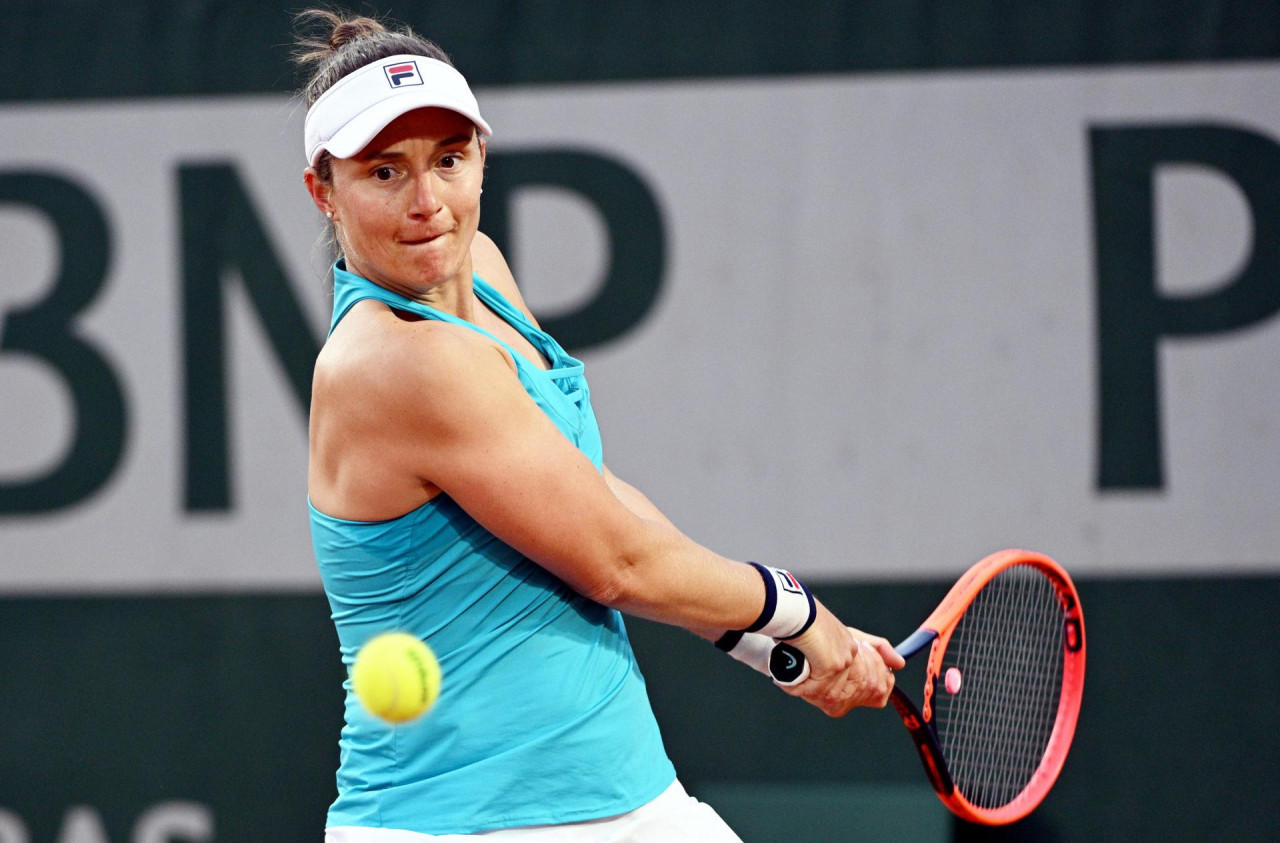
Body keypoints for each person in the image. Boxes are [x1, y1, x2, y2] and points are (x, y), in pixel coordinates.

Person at [298, 9, 905, 841]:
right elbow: (614, 562)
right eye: (384, 173)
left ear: (482, 159)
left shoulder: (480, 273)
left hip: (625, 795)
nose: (428, 203)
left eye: (449, 161)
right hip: (464, 824)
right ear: (323, 190)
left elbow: (593, 499)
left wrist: (767, 641)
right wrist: (797, 615)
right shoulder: (392, 361)